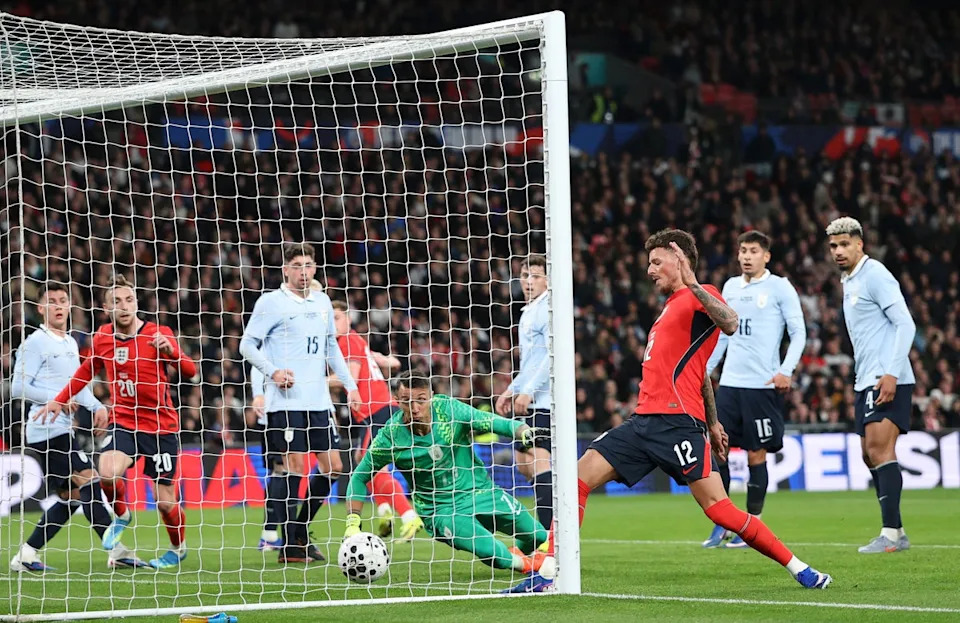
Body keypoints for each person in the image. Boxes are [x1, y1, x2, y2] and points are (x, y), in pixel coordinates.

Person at [511, 229, 832, 593]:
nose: (649, 270)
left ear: (680, 260)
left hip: (678, 425)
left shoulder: (702, 294)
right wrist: (713, 421)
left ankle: (800, 568)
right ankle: (550, 575)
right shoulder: (668, 308)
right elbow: (702, 373)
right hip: (643, 422)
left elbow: (729, 322)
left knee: (719, 509)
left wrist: (694, 283)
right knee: (574, 481)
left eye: (656, 262)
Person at [36, 274, 197, 569]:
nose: (124, 306)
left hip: (161, 428)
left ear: (137, 303)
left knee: (165, 502)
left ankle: (178, 547)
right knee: (107, 473)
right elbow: (85, 372)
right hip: (124, 422)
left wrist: (171, 352)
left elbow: (190, 371)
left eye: (129, 300)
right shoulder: (102, 338)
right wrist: (59, 399)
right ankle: (122, 515)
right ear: (106, 307)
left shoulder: (158, 333)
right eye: (116, 301)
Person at [343, 370, 548, 576]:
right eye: (407, 401)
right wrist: (353, 523)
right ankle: (529, 566)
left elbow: (488, 420)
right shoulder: (390, 436)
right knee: (491, 551)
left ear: (431, 395)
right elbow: (360, 477)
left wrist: (522, 430)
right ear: (396, 400)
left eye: (421, 400)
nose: (415, 408)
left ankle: (520, 553)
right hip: (441, 510)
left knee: (538, 535)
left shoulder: (448, 410)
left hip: (481, 492)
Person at [10, 282, 146, 572]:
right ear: (41, 308)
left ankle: (25, 555)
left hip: (62, 429)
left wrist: (97, 406)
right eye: (52, 302)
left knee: (71, 499)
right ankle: (118, 551)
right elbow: (17, 387)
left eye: (63, 300)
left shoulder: (71, 342)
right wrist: (57, 400)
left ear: (70, 306)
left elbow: (76, 385)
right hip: (45, 430)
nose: (59, 306)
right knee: (91, 481)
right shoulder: (34, 342)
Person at [239, 242, 361, 564]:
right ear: (286, 270)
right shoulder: (271, 302)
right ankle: (291, 544)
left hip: (319, 403)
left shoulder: (322, 302)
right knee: (293, 470)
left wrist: (351, 386)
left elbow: (331, 348)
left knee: (333, 467)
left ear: (315, 268)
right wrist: (273, 373)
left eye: (308, 265)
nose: (303, 271)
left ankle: (298, 531)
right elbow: (247, 346)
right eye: (297, 265)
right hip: (286, 403)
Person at [702, 231, 806, 548]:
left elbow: (798, 332)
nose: (747, 256)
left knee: (755, 454)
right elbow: (721, 335)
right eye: (743, 250)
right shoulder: (731, 287)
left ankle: (752, 526)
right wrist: (706, 369)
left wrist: (785, 370)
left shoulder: (779, 287)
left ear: (766, 256)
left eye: (754, 251)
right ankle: (723, 525)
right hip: (731, 385)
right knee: (718, 447)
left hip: (761, 387)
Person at [827, 217, 915, 553]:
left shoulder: (875, 274)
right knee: (868, 454)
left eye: (845, 244)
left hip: (887, 375)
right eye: (834, 246)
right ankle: (898, 530)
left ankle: (890, 535)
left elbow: (905, 324)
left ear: (860, 243)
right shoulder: (849, 280)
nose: (838, 251)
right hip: (866, 378)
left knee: (880, 448)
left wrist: (891, 373)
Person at [328, 300, 421, 540]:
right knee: (365, 461)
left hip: (377, 410)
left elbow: (350, 378)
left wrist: (312, 381)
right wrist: (385, 360)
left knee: (367, 465)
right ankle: (384, 511)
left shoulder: (347, 340)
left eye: (337, 317)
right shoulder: (357, 340)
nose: (333, 322)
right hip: (378, 411)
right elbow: (393, 363)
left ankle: (409, 515)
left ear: (348, 319)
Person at [250, 278, 324, 553]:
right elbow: (258, 356)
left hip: (305, 409)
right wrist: (258, 393)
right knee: (284, 470)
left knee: (291, 470)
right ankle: (277, 534)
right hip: (278, 410)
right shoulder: (281, 324)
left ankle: (279, 534)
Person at [495, 255, 553, 530]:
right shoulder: (529, 310)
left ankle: (551, 535)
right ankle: (550, 506)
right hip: (529, 398)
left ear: (548, 279)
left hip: (544, 401)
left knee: (540, 458)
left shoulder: (547, 309)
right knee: (522, 462)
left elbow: (550, 356)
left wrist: (528, 391)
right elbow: (529, 363)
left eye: (536, 276)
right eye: (525, 276)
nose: (529, 282)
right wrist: (511, 389)